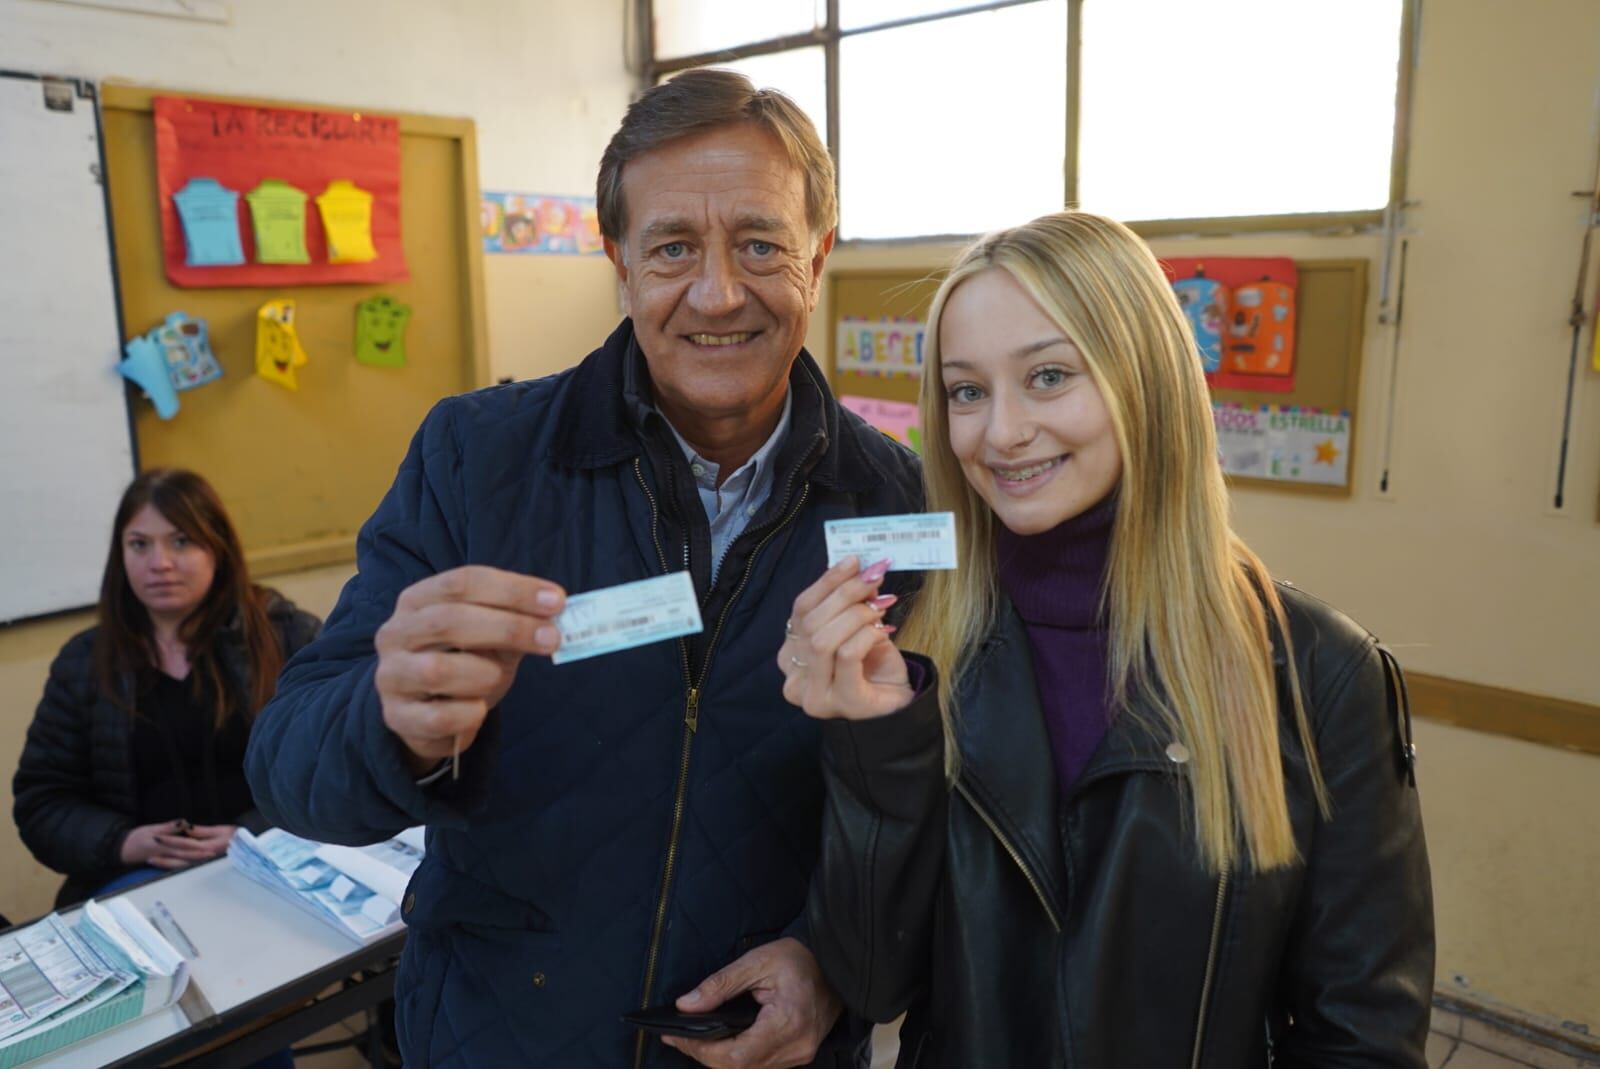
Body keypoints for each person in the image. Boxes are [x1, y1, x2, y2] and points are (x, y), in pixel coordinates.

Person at [244, 69, 921, 1069]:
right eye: (672, 248)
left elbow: (919, 805)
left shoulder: (892, 502)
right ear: (617, 262)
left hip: (758, 1050)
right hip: (500, 1035)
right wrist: (388, 720)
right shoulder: (476, 458)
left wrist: (835, 960)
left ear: (817, 257)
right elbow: (286, 765)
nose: (718, 292)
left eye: (761, 243)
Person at [781, 211, 1435, 1067]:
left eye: (1049, 376)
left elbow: (1364, 1036)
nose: (1002, 431)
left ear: (1146, 382)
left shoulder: (1319, 673)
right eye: (967, 390)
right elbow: (870, 982)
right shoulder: (913, 646)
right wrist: (877, 745)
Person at [14, 468, 321, 908]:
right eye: (139, 544)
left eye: (181, 541)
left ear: (218, 549)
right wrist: (124, 843)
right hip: (141, 881)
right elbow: (43, 803)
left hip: (275, 860)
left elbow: (332, 766)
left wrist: (252, 835)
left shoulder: (287, 635)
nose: (159, 562)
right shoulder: (83, 662)